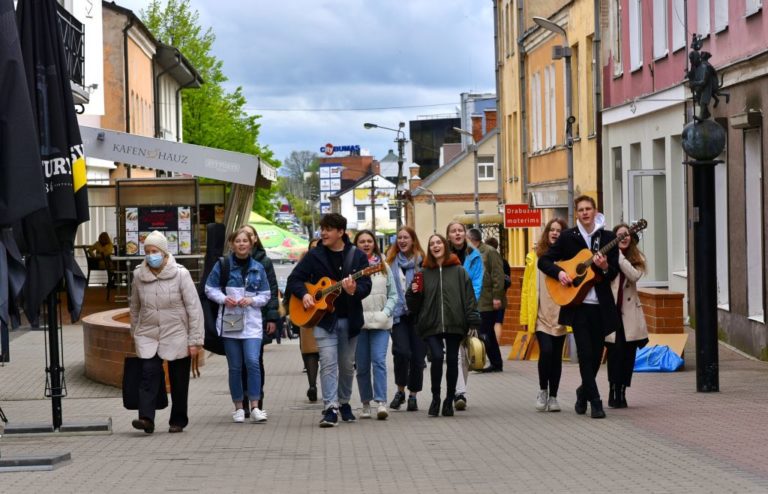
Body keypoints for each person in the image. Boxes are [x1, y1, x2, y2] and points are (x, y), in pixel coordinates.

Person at [538, 196, 620, 419]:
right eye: (581, 210)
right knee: (584, 354)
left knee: (595, 357)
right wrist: (560, 273)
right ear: (576, 213)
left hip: (601, 306)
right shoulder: (567, 237)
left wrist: (603, 267)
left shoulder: (608, 237)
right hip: (578, 306)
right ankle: (596, 401)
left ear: (595, 211)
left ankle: (583, 392)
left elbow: (613, 273)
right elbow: (543, 261)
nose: (585, 213)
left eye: (588, 209)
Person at [286, 213, 371, 428]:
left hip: (349, 319)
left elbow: (366, 285)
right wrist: (305, 294)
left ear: (341, 232)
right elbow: (294, 279)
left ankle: (344, 402)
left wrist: (353, 290)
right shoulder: (314, 255)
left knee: (346, 365)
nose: (323, 233)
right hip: (324, 320)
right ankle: (330, 407)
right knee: (329, 364)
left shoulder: (357, 256)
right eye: (322, 229)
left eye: (328, 229)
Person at [129, 230, 203, 434]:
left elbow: (193, 308)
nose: (151, 255)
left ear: (164, 252)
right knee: (148, 374)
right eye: (147, 251)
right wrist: (134, 332)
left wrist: (195, 340)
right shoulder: (138, 275)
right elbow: (135, 307)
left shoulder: (181, 274)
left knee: (179, 380)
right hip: (148, 333)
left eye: (155, 251)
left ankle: (178, 420)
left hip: (177, 332)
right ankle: (146, 418)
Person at [406, 234, 480, 417]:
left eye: (438, 242)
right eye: (432, 244)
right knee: (437, 357)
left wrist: (472, 320)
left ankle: (449, 399)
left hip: (455, 321)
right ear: (429, 249)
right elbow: (412, 304)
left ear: (445, 247)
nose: (435, 246)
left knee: (453, 360)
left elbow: (469, 297)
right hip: (431, 323)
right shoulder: (422, 273)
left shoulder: (459, 271)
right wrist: (414, 293)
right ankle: (435, 397)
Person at [205, 228, 272, 424]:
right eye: (238, 241)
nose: (242, 244)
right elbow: (210, 288)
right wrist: (224, 298)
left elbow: (266, 295)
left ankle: (255, 406)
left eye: (245, 241)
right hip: (230, 321)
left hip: (252, 323)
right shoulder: (223, 265)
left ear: (251, 244)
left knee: (252, 362)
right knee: (235, 367)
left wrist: (251, 301)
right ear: (232, 244)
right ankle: (238, 408)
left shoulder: (258, 267)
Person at [520, 218, 569, 412]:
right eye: (552, 230)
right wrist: (525, 318)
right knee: (546, 351)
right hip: (540, 314)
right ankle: (542, 390)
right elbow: (526, 289)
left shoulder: (568, 258)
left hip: (561, 314)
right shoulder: (535, 257)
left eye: (559, 230)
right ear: (547, 232)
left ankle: (554, 396)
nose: (555, 233)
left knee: (556, 356)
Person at [354, 230, 397, 420]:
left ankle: (381, 402)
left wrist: (385, 313)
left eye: (369, 241)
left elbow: (394, 295)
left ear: (374, 244)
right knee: (362, 365)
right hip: (359, 323)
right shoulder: (351, 267)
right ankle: (365, 403)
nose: (366, 244)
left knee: (379, 361)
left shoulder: (383, 267)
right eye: (362, 241)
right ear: (356, 245)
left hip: (380, 323)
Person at [606, 223, 649, 408]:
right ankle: (612, 389)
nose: (624, 238)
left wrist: (619, 256)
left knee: (627, 355)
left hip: (630, 314)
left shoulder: (635, 257)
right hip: (612, 313)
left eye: (627, 235)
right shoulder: (607, 256)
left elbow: (634, 275)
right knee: (615, 353)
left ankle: (623, 390)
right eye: (620, 235)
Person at [384, 226, 426, 412]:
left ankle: (413, 395)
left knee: (417, 357)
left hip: (419, 316)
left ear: (413, 240)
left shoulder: (422, 262)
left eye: (406, 237)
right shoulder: (390, 262)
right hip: (398, 315)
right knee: (401, 352)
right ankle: (400, 390)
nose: (402, 241)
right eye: (399, 238)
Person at [240, 224, 279, 413]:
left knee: (254, 360)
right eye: (242, 235)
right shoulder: (230, 261)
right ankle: (243, 399)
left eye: (249, 235)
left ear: (254, 239)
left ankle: (256, 397)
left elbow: (272, 290)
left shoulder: (264, 261)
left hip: (259, 318)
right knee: (239, 362)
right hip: (236, 318)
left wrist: (272, 317)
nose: (245, 239)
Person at [445, 221, 483, 410]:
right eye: (454, 231)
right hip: (447, 309)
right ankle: (459, 392)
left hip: (467, 309)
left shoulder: (474, 256)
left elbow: (477, 284)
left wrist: (468, 306)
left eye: (460, 230)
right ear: (449, 235)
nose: (458, 234)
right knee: (456, 352)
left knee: (465, 353)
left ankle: (459, 390)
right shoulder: (442, 255)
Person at [467, 228, 505, 373]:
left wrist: (497, 296)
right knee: (485, 331)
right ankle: (494, 362)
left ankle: (495, 362)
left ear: (472, 239)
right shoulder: (470, 254)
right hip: (476, 299)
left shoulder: (489, 252)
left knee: (486, 331)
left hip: (488, 299)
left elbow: (497, 274)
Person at [288, 237, 321, 402]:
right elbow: (292, 283)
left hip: (326, 310)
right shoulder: (304, 266)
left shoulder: (329, 263)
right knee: (310, 350)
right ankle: (312, 385)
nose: (316, 250)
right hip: (307, 310)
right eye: (312, 248)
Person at [484, 237, 510, 342]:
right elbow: (508, 280)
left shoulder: (483, 260)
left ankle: (486, 347)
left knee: (486, 323)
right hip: (499, 295)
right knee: (498, 322)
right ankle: (496, 346)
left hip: (485, 297)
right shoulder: (504, 262)